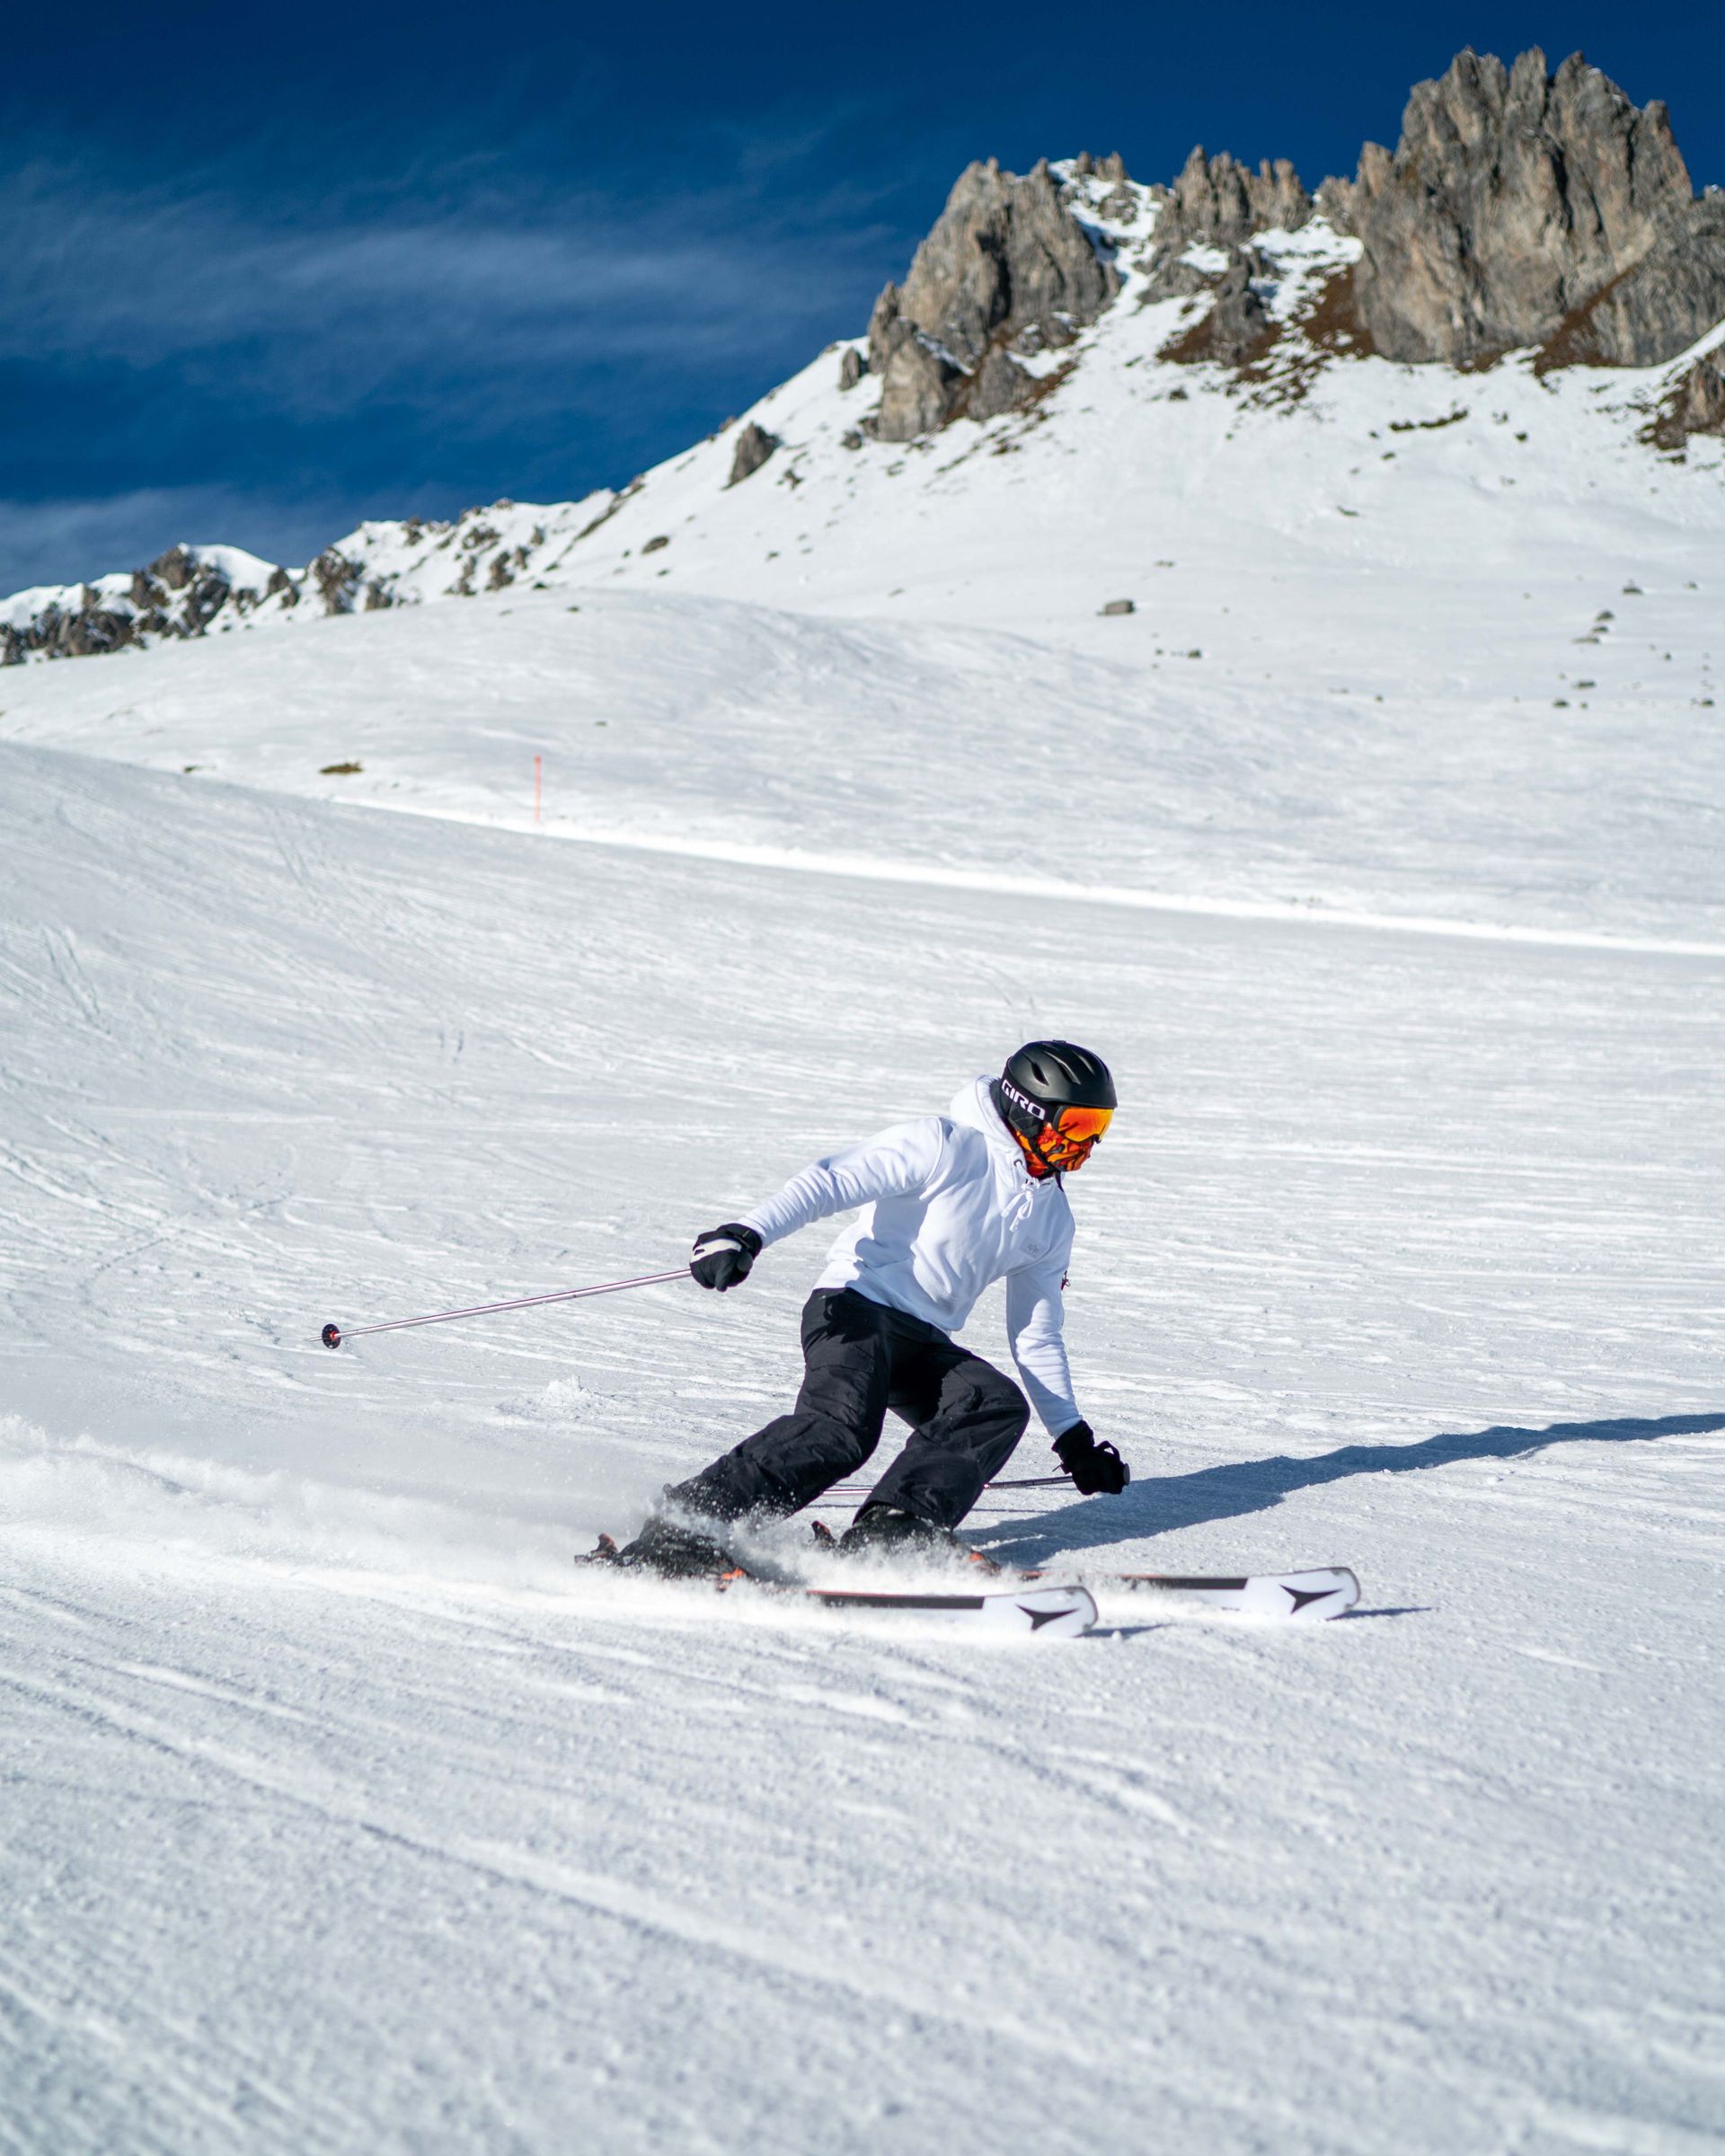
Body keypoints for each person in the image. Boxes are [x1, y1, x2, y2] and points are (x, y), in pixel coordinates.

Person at [614, 1040, 1129, 1576]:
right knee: (840, 1430)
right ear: (1029, 1111)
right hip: (853, 1307)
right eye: (1076, 1126)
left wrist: (1074, 1440)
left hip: (922, 1338)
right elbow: (833, 1179)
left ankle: (894, 1530)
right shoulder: (944, 1145)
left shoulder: (1052, 1220)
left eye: (1100, 1129)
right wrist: (747, 1234)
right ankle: (686, 1525)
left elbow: (1035, 1333)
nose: (1087, 1146)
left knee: (992, 1405)